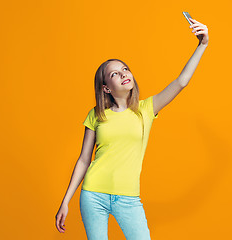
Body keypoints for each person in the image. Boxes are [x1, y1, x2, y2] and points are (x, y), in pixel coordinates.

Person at [55, 17, 209, 240]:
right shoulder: (96, 114)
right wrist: (65, 201)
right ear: (106, 88)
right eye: (115, 73)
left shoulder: (146, 109)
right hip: (93, 195)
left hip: (128, 198)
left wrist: (202, 45)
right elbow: (83, 159)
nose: (124, 74)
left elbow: (181, 81)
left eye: (125, 69)